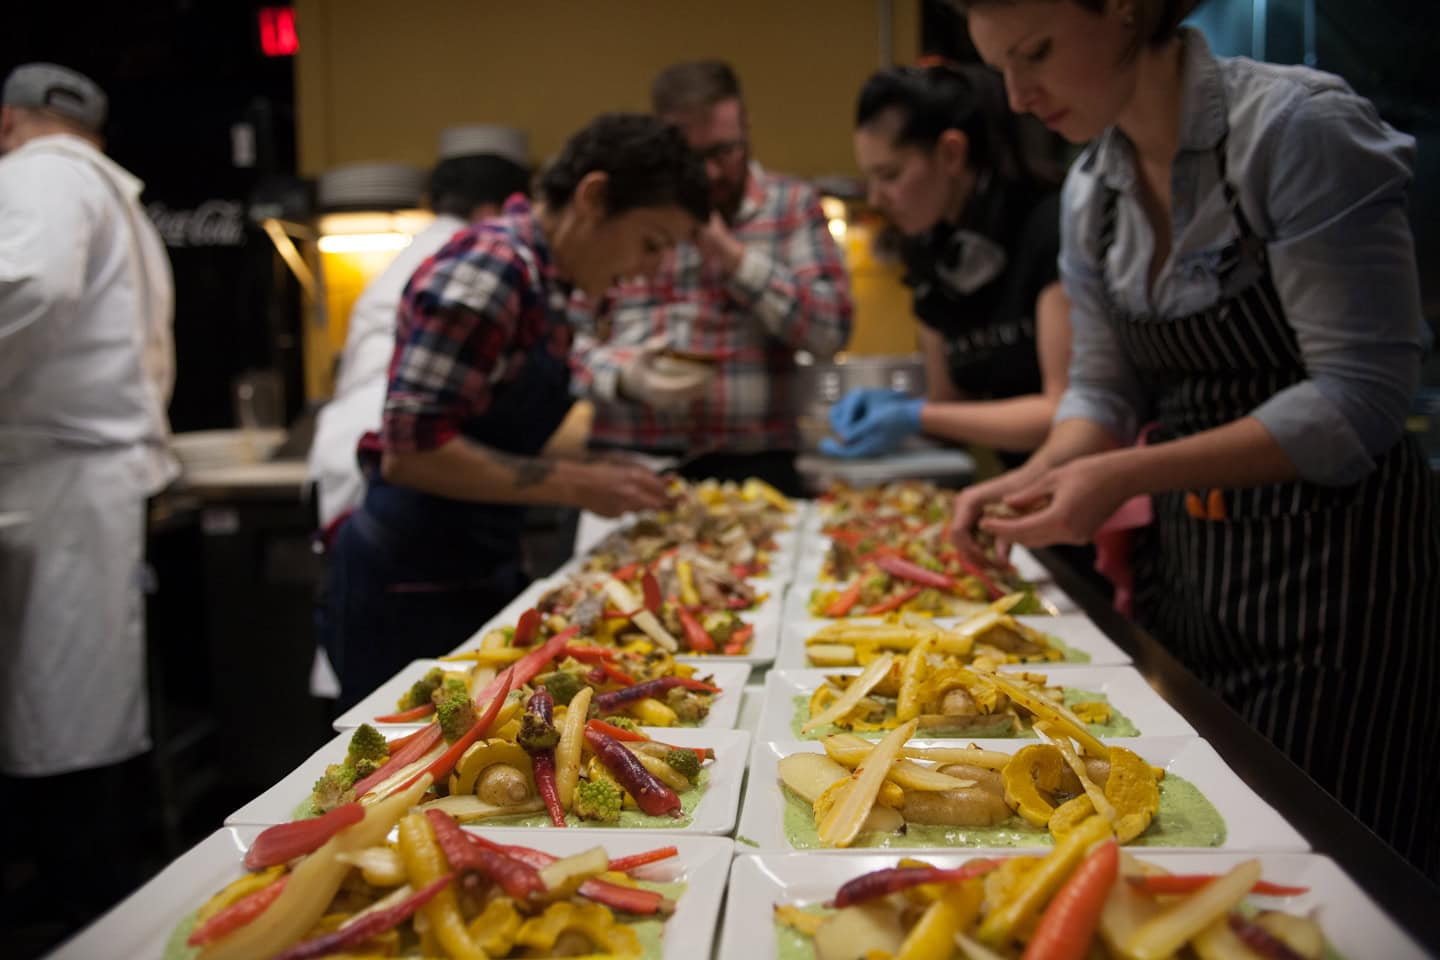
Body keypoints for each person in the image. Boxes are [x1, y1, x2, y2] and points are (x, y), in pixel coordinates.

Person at [950, 0, 1440, 875]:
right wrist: (1027, 477)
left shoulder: (1296, 130)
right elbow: (1099, 393)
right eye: (1001, 70)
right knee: (1193, 850)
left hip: (1343, 587)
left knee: (1321, 874)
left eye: (1037, 54)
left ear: (1128, 9)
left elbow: (1359, 398)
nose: (1020, 98)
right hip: (1197, 580)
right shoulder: (1089, 190)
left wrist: (1121, 471)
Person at [323, 113, 710, 709]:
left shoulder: (548, 284)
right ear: (594, 197)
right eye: (651, 243)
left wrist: (613, 466)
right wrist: (580, 485)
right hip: (408, 585)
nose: (651, 269)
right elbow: (411, 452)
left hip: (474, 570)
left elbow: (501, 423)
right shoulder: (489, 270)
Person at [0, 63, 175, 913]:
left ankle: (79, 913)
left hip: (56, 480)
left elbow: (27, 283)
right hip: (87, 479)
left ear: (8, 124)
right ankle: (100, 897)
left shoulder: (38, 174)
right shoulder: (114, 196)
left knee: (59, 711)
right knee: (79, 703)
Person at [570, 60, 853, 496]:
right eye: (691, 155)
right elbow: (564, 337)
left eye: (724, 151)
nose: (711, 173)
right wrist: (622, 376)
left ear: (746, 129)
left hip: (757, 466)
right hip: (630, 461)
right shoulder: (627, 208)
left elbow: (830, 332)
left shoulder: (791, 204)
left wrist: (737, 260)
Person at [822, 62, 1070, 465]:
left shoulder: (1047, 228)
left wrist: (918, 416)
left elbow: (1067, 412)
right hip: (1023, 488)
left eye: (890, 175)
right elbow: (952, 404)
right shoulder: (932, 255)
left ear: (951, 153)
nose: (877, 199)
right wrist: (906, 412)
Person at [309, 125, 532, 531]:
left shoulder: (420, 250)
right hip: (383, 461)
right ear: (491, 210)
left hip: (349, 450)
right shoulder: (478, 260)